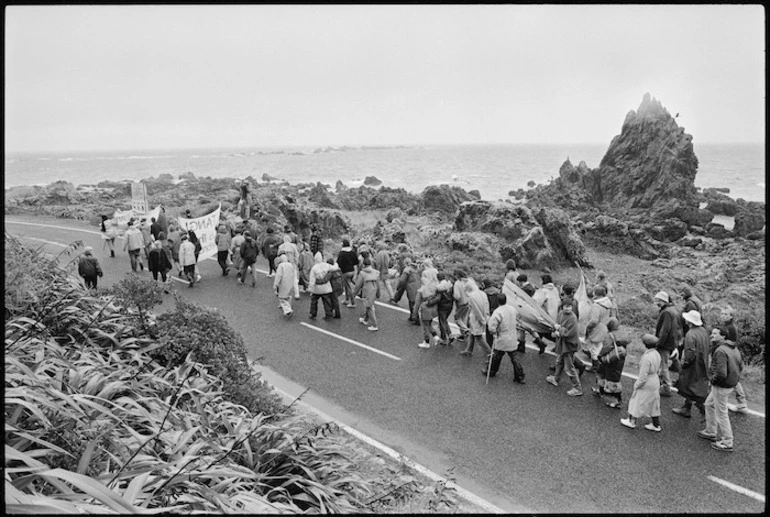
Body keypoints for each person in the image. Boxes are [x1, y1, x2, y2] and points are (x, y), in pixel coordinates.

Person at [699, 327, 743, 452]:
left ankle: (727, 441)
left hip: (721, 386)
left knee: (721, 413)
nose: (711, 335)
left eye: (715, 334)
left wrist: (712, 380)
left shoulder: (720, 351)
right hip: (730, 383)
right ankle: (711, 431)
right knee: (709, 404)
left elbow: (721, 373)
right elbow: (741, 366)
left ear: (723, 336)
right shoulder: (733, 348)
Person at [672, 310, 711, 419]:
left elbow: (689, 353)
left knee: (692, 388)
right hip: (703, 362)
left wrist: (684, 364)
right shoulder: (704, 331)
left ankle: (706, 414)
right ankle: (686, 407)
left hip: (693, 366)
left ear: (689, 321)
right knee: (694, 386)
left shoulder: (690, 334)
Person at [621, 333, 663, 431]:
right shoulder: (657, 354)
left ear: (645, 344)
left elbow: (643, 376)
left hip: (647, 382)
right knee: (654, 404)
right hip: (655, 380)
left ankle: (632, 421)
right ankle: (656, 424)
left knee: (636, 401)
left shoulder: (647, 358)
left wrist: (637, 385)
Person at [483, 293, 525, 384]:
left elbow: (491, 326)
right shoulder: (512, 309)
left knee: (496, 356)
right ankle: (520, 376)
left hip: (502, 337)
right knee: (514, 357)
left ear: (498, 301)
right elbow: (518, 318)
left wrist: (493, 332)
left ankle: (491, 372)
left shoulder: (498, 312)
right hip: (512, 336)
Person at [545, 301, 583, 396]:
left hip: (569, 345)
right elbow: (557, 324)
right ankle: (556, 378)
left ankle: (577, 388)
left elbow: (570, 333)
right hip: (562, 343)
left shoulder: (573, 318)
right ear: (562, 307)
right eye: (566, 306)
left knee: (569, 368)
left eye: (570, 306)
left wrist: (559, 329)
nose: (568, 308)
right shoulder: (561, 313)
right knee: (559, 361)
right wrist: (556, 329)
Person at [593, 318, 627, 408]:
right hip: (619, 359)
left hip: (609, 360)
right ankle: (601, 391)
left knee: (607, 377)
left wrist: (599, 356)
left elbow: (605, 348)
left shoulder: (609, 335)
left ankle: (617, 401)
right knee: (611, 377)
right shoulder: (621, 333)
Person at [654, 291, 682, 397]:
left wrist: (658, 343)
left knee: (663, 365)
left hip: (665, 343)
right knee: (665, 363)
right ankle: (664, 384)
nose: (656, 302)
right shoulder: (672, 310)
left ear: (662, 301)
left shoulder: (666, 312)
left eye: (657, 300)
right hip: (671, 342)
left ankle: (666, 387)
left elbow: (665, 330)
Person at [720, 309, 748, 414]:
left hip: (729, 355)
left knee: (732, 378)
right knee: (732, 377)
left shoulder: (730, 327)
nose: (723, 315)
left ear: (731, 316)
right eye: (722, 313)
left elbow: (732, 342)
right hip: (730, 354)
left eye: (726, 314)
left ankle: (741, 404)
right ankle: (742, 403)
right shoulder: (728, 326)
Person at [582, 285, 613, 372]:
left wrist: (588, 326)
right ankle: (599, 364)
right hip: (604, 328)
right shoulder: (608, 304)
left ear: (596, 293)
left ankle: (595, 367)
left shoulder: (596, 305)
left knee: (594, 350)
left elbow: (594, 321)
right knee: (598, 348)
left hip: (596, 330)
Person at [459, 279, 491, 357]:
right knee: (472, 334)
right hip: (484, 316)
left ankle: (490, 353)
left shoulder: (472, 297)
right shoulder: (483, 293)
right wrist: (486, 317)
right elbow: (487, 306)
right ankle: (468, 350)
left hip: (476, 319)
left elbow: (476, 311)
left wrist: (482, 320)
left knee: (478, 337)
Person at [353, 257, 380, 331]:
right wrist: (378, 293)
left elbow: (358, 285)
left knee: (369, 307)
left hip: (367, 291)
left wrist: (354, 294)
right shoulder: (375, 272)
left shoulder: (362, 273)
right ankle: (365, 319)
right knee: (369, 305)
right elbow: (378, 284)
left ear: (363, 265)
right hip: (374, 290)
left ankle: (375, 325)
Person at [308, 252, 336, 320]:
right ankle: (328, 314)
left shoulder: (314, 268)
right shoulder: (326, 265)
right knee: (327, 302)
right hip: (326, 288)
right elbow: (335, 268)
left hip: (317, 288)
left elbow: (312, 280)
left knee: (314, 301)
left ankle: (313, 314)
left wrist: (311, 289)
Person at [393, 256, 421, 321]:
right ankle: (412, 316)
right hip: (418, 285)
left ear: (405, 263)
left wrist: (398, 287)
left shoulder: (407, 270)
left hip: (411, 287)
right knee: (415, 302)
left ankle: (415, 318)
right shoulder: (415, 268)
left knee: (412, 302)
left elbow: (402, 281)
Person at [337, 238, 359, 308]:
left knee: (348, 287)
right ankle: (346, 299)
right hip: (352, 271)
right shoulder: (352, 252)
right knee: (347, 286)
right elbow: (356, 262)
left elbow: (338, 262)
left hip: (345, 272)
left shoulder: (342, 253)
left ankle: (352, 302)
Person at [278, 235, 301, 299]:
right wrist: (297, 263)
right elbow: (297, 256)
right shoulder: (293, 246)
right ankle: (297, 294)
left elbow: (278, 257)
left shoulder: (281, 246)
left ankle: (285, 294)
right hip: (292, 264)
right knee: (295, 280)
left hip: (284, 265)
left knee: (283, 280)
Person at [273, 254, 296, 318]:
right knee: (288, 296)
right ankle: (289, 306)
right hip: (290, 282)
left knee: (282, 297)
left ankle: (288, 310)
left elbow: (278, 276)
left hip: (283, 283)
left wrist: (276, 284)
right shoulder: (291, 265)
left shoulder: (281, 266)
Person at [452, 269, 471, 341]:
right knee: (463, 319)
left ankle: (466, 330)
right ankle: (463, 335)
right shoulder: (468, 281)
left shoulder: (457, 283)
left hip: (461, 303)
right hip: (468, 302)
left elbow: (457, 296)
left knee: (457, 318)